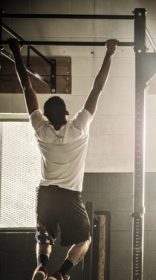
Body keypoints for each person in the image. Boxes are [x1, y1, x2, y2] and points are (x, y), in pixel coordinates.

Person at [8, 38, 119, 280]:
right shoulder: (79, 128)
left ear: (45, 116)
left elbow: (27, 88)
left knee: (44, 237)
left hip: (46, 192)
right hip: (70, 195)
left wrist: (16, 51)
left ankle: (41, 267)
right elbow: (97, 88)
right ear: (67, 114)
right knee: (85, 240)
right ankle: (60, 274)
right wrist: (109, 53)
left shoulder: (40, 129)